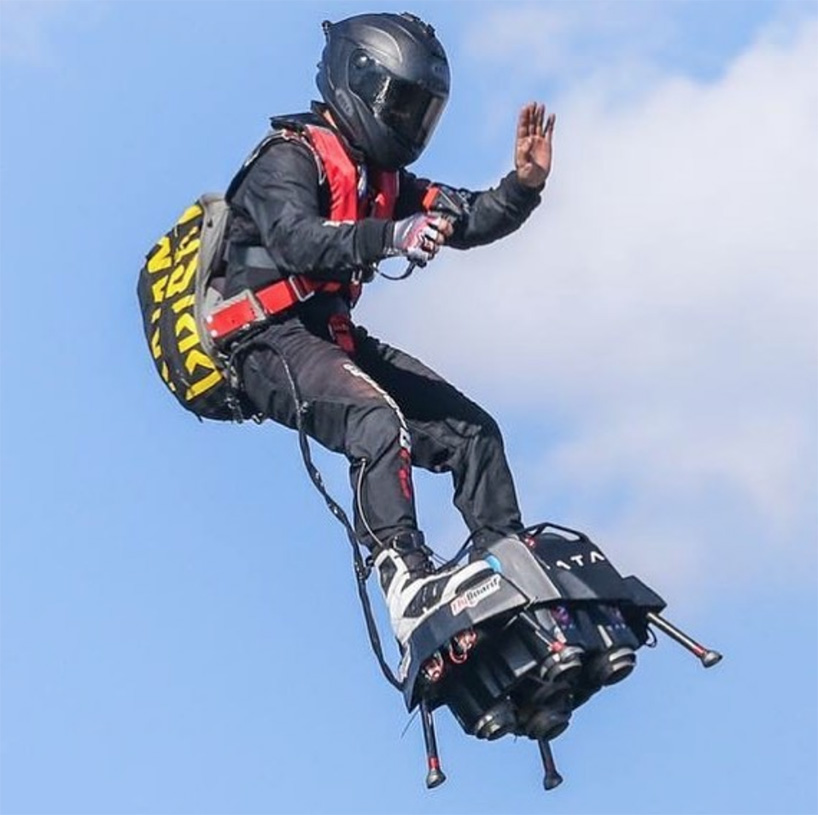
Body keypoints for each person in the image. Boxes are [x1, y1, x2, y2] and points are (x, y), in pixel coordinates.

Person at [222, 11, 556, 651]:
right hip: (264, 340)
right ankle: (408, 588)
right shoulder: (287, 159)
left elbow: (468, 216)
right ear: (358, 80)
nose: (408, 124)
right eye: (400, 104)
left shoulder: (382, 180)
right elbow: (298, 240)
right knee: (377, 423)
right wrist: (391, 235)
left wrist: (524, 186)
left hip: (326, 334)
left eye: (420, 111)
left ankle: (508, 573)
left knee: (473, 433)